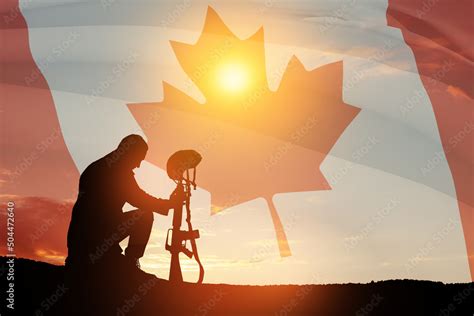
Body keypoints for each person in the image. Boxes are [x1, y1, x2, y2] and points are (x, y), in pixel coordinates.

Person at [66, 134, 179, 271]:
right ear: (129, 153)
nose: (138, 166)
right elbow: (139, 199)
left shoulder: (101, 166)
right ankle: (131, 262)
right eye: (138, 159)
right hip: (91, 238)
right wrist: (169, 204)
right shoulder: (116, 172)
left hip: (84, 238)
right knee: (144, 217)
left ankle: (112, 256)